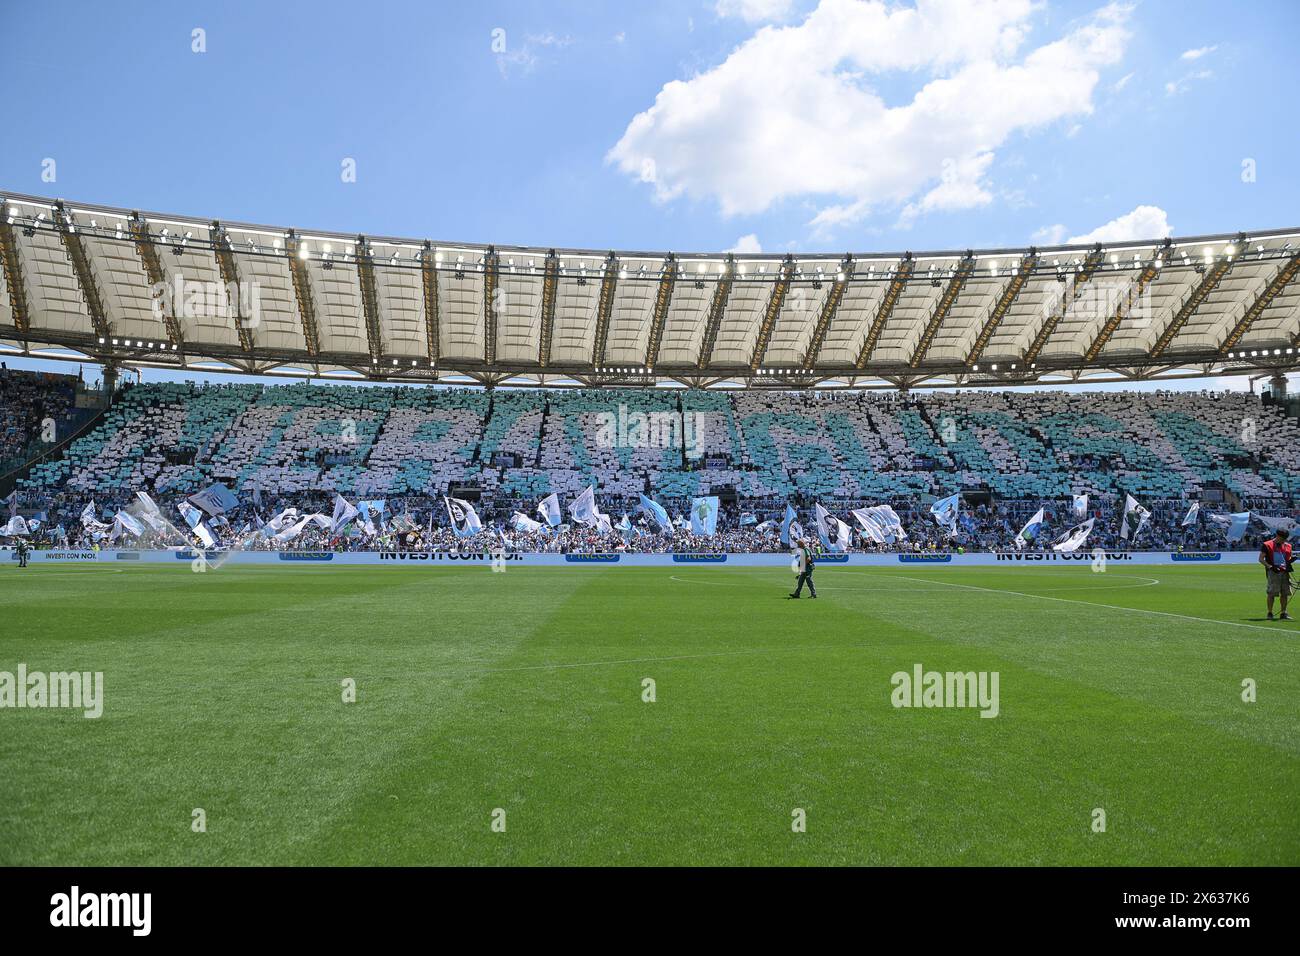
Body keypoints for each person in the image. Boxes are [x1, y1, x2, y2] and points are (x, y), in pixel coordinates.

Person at [1260, 528, 1293, 620]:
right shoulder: (1267, 544)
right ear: (1277, 536)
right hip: (1273, 572)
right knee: (1271, 593)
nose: (1284, 540)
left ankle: (1283, 613)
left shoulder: (1288, 546)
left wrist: (1290, 562)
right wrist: (1270, 567)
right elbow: (1261, 559)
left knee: (1285, 593)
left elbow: (1288, 558)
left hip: (1285, 572)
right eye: (1282, 538)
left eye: (1285, 539)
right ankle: (1270, 613)